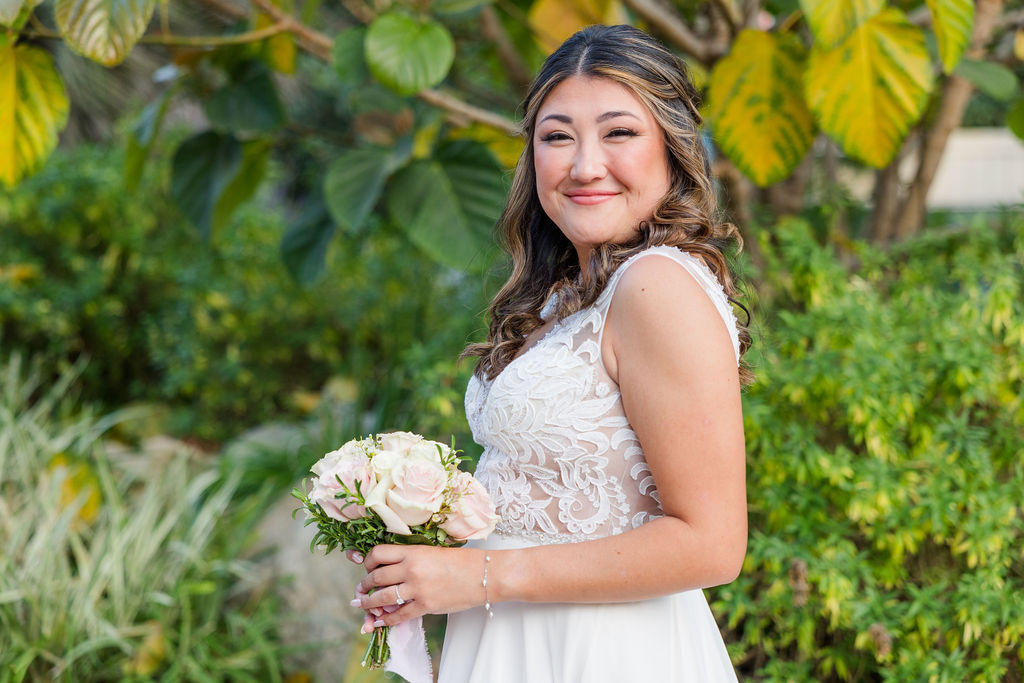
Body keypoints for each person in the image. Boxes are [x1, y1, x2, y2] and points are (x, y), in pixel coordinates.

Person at [347, 23, 752, 682]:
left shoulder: (656, 286)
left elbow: (712, 543)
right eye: (558, 136)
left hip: (603, 652)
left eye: (619, 133)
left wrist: (480, 574)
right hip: (515, 641)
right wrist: (421, 533)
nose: (585, 165)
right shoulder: (570, 291)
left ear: (673, 150)